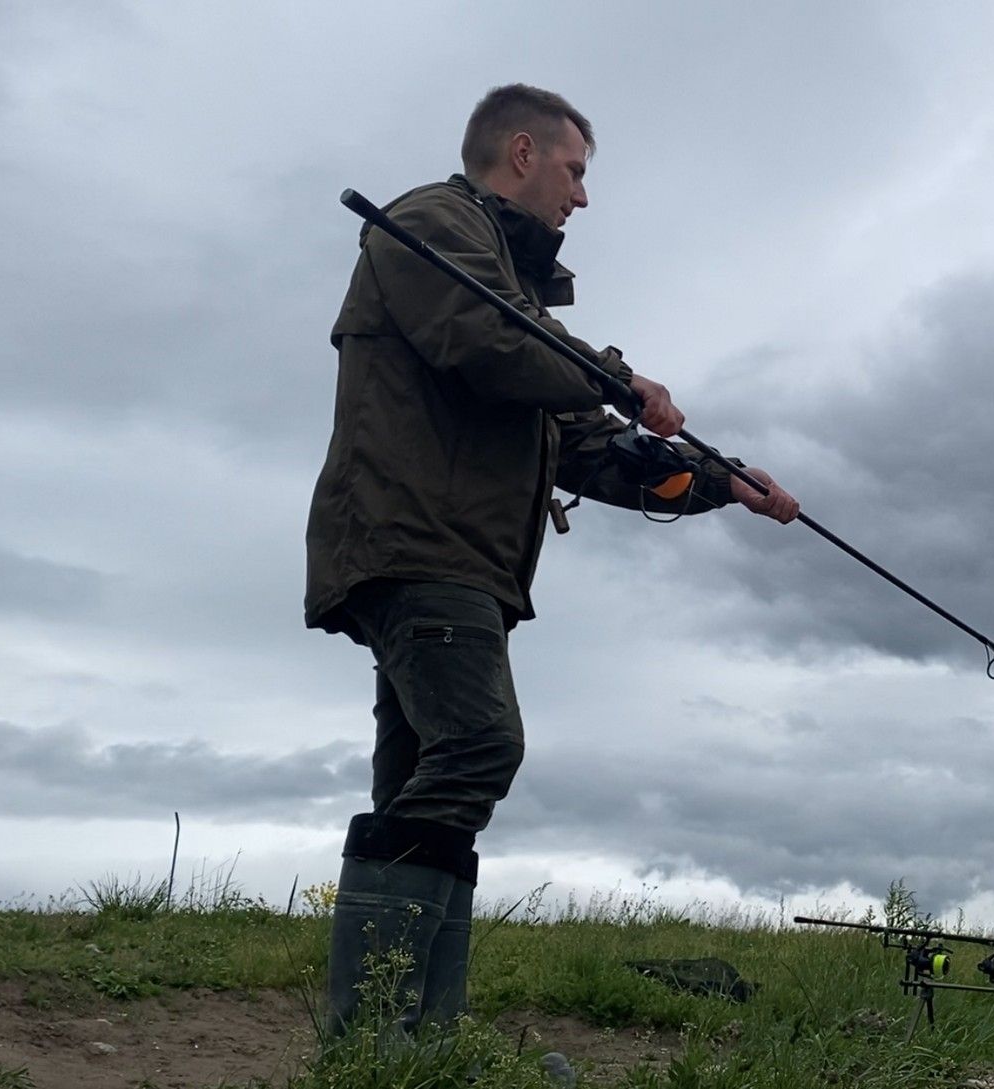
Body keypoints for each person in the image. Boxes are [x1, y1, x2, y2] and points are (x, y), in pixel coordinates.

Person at [303, 83, 799, 1043]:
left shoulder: (515, 294)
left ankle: (415, 1044)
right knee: (481, 746)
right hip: (417, 547)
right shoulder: (429, 224)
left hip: (463, 563)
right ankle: (375, 1037)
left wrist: (714, 481)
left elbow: (586, 445)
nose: (582, 198)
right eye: (575, 172)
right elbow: (484, 343)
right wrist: (623, 374)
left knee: (425, 778)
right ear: (522, 153)